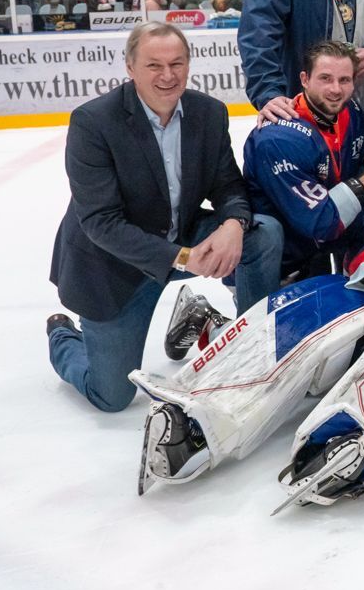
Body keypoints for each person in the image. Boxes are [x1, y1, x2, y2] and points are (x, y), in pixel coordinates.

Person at [45, 22, 282, 413]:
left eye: (176, 63)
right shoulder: (93, 122)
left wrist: (232, 224)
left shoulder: (208, 113)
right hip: (115, 267)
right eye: (154, 65)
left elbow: (227, 185)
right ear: (130, 67)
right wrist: (183, 258)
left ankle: (250, 349)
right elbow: (101, 222)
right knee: (112, 396)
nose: (167, 75)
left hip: (181, 238)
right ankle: (62, 336)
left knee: (263, 233)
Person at [242, 40, 364, 301]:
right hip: (275, 267)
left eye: (344, 80)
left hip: (317, 255)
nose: (336, 89)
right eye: (325, 78)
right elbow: (320, 222)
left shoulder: (348, 112)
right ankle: (207, 319)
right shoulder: (277, 139)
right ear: (304, 79)